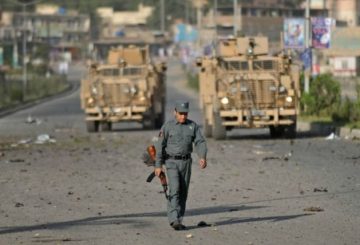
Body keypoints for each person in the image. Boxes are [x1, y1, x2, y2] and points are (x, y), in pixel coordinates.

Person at [154, 101, 207, 230]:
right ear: (175, 112)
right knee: (175, 189)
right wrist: (158, 165)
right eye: (180, 114)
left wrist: (202, 156)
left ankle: (179, 219)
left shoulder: (192, 126)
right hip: (171, 162)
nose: (183, 117)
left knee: (183, 191)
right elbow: (159, 147)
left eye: (185, 114)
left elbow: (200, 142)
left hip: (186, 162)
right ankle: (173, 219)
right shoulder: (167, 126)